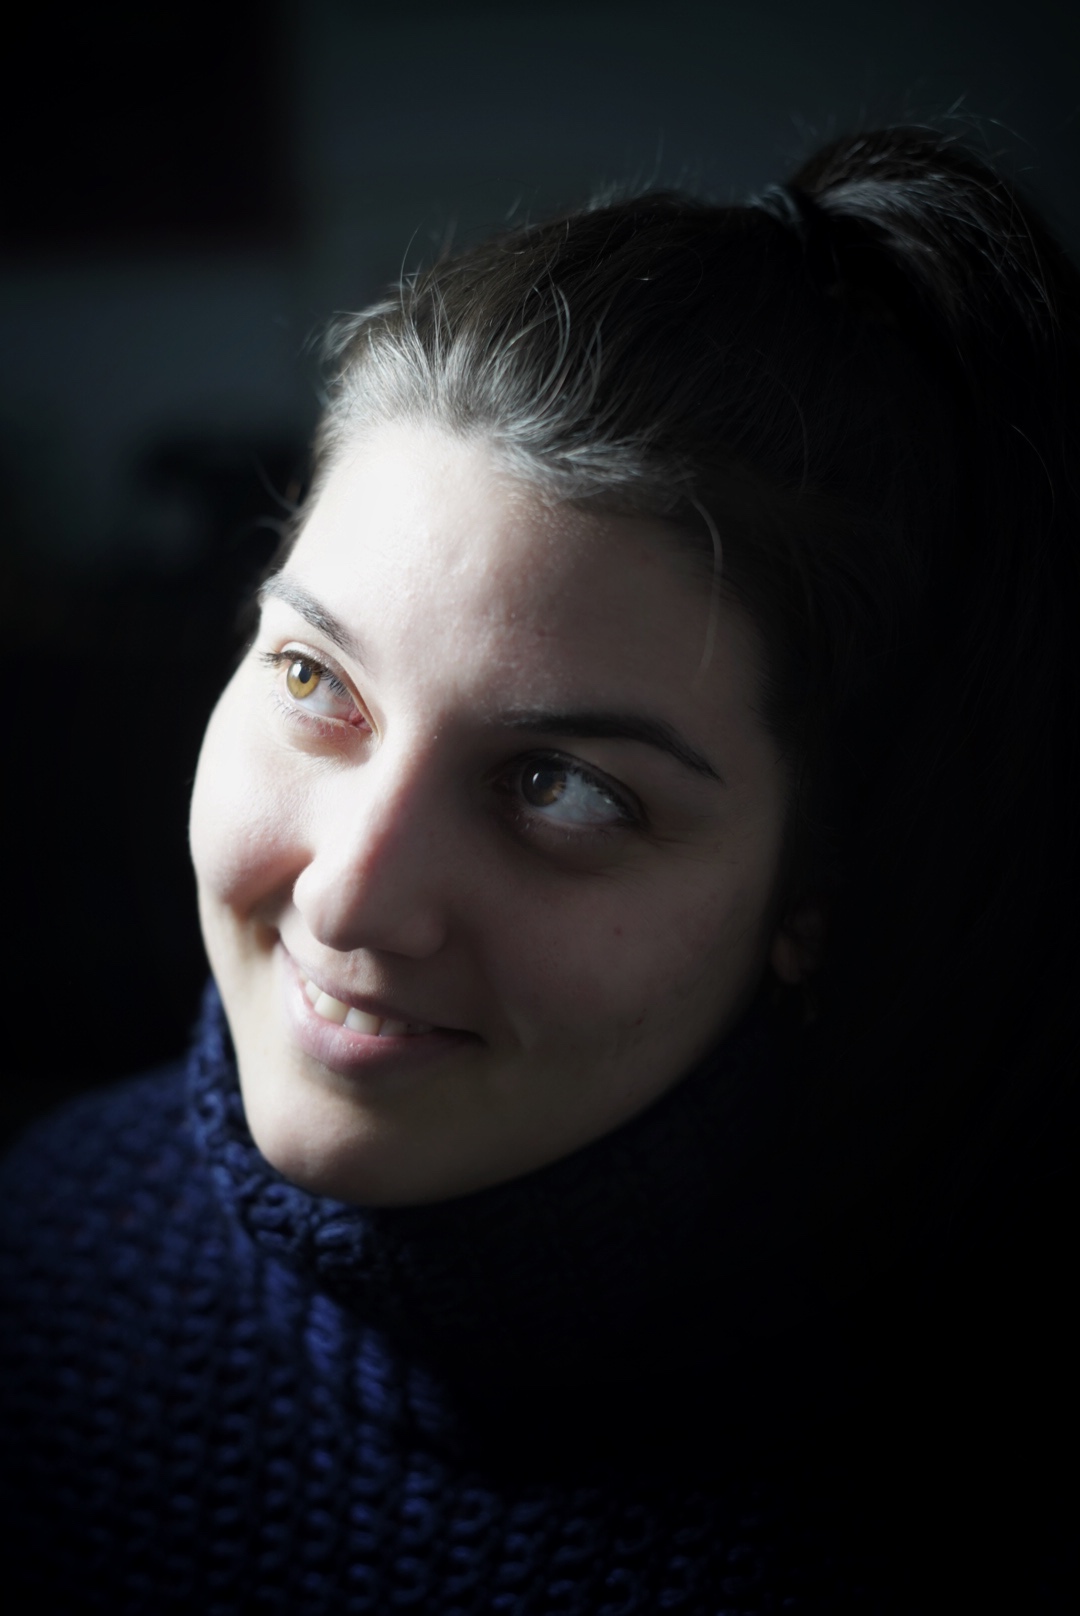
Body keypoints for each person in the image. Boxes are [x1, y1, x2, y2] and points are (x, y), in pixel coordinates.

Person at [1, 124, 1076, 1613]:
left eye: (562, 790)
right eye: (315, 681)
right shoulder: (36, 1258)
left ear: (817, 899)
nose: (349, 898)